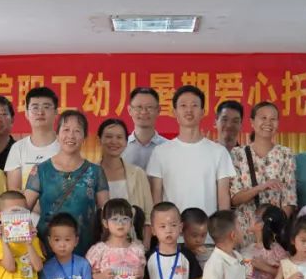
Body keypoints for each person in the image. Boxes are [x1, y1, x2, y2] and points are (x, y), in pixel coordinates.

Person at [24, 110, 109, 255]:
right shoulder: (41, 170)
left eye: (77, 131)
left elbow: (106, 215)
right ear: (57, 135)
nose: (71, 135)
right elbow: (23, 210)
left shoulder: (95, 172)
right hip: (47, 249)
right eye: (66, 130)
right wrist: (30, 239)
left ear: (84, 137)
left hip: (85, 249)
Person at [147, 85, 236, 219]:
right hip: (171, 229)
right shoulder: (160, 152)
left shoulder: (219, 152)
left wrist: (223, 229)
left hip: (207, 229)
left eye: (194, 105)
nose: (189, 110)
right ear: (174, 112)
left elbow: (223, 199)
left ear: (202, 112)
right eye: (183, 105)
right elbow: (156, 197)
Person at [229, 101, 297, 245]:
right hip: (245, 231)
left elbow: (289, 199)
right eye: (263, 118)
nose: (268, 122)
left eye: (273, 119)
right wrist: (261, 187)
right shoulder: (238, 154)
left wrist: (275, 225)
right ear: (252, 122)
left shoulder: (285, 154)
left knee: (272, 259)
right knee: (245, 259)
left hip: (274, 234)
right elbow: (235, 198)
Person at [97, 118, 153, 237]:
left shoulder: (138, 174)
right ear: (99, 140)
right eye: (108, 136)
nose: (114, 141)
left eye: (119, 137)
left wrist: (146, 244)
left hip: (133, 241)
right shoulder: (90, 173)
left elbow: (148, 215)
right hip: (99, 241)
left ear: (126, 142)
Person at [5, 87, 60, 191]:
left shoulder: (65, 146)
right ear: (26, 113)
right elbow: (14, 191)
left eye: (46, 107)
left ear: (56, 112)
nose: (40, 112)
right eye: (35, 107)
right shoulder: (18, 148)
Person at [120, 87, 166, 171]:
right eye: (139, 107)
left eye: (149, 107)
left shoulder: (168, 147)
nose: (144, 112)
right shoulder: (120, 147)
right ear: (129, 110)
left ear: (158, 110)